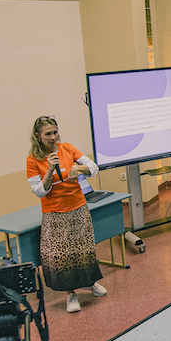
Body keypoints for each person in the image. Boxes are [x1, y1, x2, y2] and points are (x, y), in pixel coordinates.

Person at [26, 116, 105, 314]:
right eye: (48, 134)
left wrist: (77, 168)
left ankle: (90, 283)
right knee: (63, 256)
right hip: (55, 214)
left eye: (55, 132)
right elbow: (38, 191)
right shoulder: (33, 160)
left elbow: (94, 167)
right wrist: (49, 171)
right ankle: (71, 294)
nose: (53, 137)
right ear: (38, 136)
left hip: (78, 208)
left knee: (84, 248)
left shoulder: (68, 148)